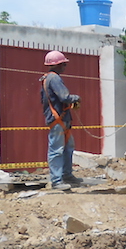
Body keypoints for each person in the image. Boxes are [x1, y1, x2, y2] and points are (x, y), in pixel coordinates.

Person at [40, 51, 81, 190]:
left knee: (68, 148)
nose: (65, 66)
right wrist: (75, 98)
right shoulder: (54, 79)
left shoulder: (47, 79)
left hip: (61, 119)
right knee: (57, 150)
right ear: (57, 65)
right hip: (58, 120)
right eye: (63, 64)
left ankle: (66, 175)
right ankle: (57, 180)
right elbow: (64, 97)